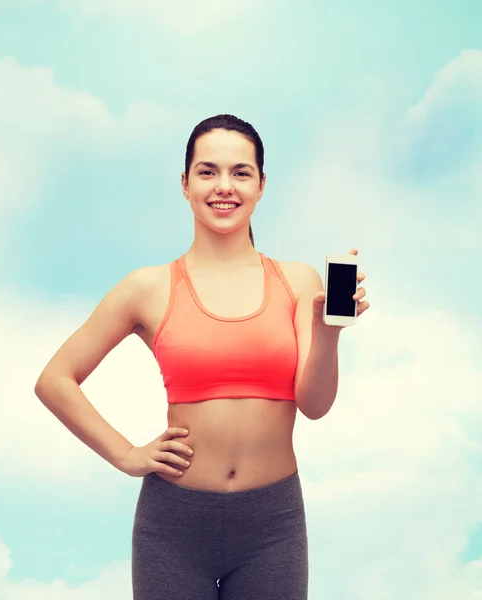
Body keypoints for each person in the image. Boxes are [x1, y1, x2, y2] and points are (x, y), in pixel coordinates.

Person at [34, 114, 370, 600]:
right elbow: (55, 380)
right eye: (208, 171)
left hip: (272, 525)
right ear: (185, 183)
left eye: (241, 172)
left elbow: (315, 405)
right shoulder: (146, 288)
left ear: (261, 185)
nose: (224, 186)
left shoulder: (298, 283)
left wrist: (328, 332)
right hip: (173, 526)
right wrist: (127, 454)